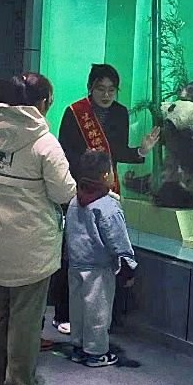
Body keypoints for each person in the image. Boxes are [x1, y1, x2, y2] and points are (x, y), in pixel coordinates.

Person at [0, 72, 76, 385]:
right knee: (25, 325)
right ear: (43, 103)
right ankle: (19, 382)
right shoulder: (45, 144)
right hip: (32, 253)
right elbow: (64, 192)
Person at [52, 63, 159, 334]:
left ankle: (104, 315)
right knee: (74, 253)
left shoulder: (120, 113)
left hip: (107, 191)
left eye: (112, 89)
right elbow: (65, 153)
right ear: (90, 88)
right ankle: (64, 313)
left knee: (106, 252)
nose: (106, 94)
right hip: (80, 190)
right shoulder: (75, 113)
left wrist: (141, 151)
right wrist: (85, 180)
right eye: (101, 88)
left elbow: (118, 152)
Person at [66, 150, 137, 367]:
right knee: (97, 311)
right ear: (106, 175)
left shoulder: (74, 200)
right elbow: (118, 239)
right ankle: (96, 353)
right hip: (98, 269)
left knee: (77, 308)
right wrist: (128, 267)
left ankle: (78, 347)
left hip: (75, 264)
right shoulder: (107, 206)